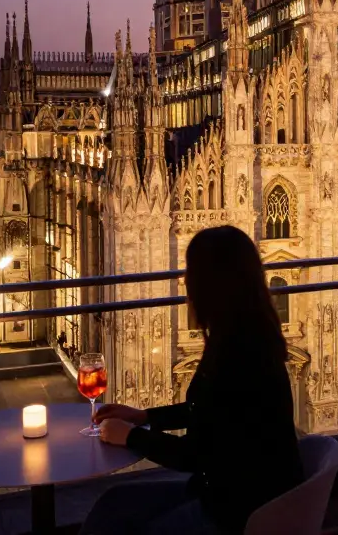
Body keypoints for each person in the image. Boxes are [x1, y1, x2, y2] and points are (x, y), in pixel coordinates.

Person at [79, 225, 303, 535]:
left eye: (190, 275)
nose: (185, 285)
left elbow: (196, 455)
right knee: (113, 503)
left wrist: (131, 437)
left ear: (211, 287)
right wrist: (144, 416)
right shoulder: (241, 333)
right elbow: (211, 409)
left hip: (238, 511)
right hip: (230, 490)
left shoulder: (240, 352)